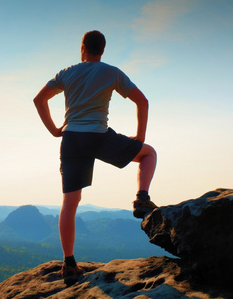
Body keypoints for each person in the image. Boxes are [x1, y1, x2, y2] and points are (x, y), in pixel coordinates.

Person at [33, 30, 157, 282]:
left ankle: (68, 264)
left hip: (72, 139)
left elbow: (39, 99)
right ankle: (142, 198)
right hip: (100, 136)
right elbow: (142, 101)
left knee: (70, 202)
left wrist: (55, 130)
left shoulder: (67, 73)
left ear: (83, 48)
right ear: (102, 50)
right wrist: (140, 136)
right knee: (148, 154)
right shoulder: (111, 72)